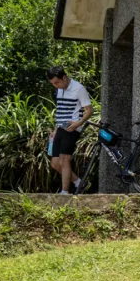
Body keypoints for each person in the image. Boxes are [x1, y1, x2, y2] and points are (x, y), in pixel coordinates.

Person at [46, 66, 93, 195]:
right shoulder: (60, 89)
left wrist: (78, 123)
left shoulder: (78, 88)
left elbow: (89, 110)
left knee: (64, 160)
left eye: (57, 82)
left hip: (72, 127)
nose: (56, 86)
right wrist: (56, 129)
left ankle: (65, 192)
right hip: (60, 127)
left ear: (64, 77)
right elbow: (61, 110)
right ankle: (79, 182)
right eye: (53, 84)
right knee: (55, 163)